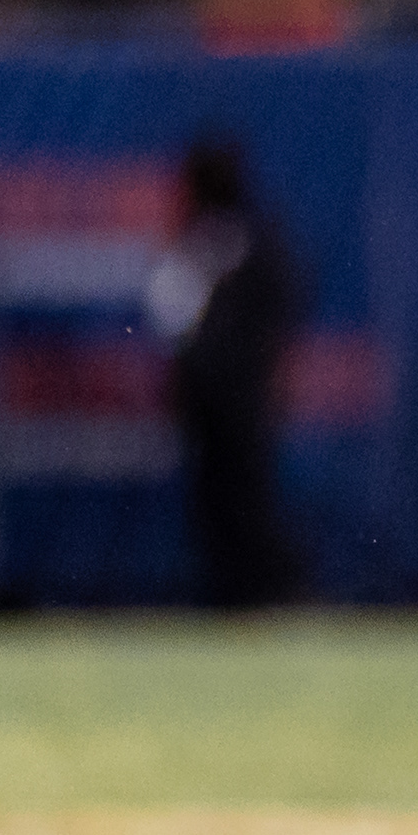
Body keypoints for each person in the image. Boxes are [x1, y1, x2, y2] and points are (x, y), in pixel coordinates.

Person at [147, 140, 300, 608]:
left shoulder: (245, 238)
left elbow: (280, 307)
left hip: (238, 393)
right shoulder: (200, 240)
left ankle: (261, 594)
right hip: (209, 393)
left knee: (243, 495)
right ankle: (231, 595)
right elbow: (171, 314)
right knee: (217, 497)